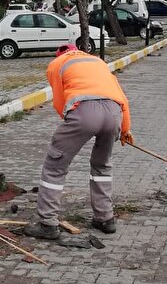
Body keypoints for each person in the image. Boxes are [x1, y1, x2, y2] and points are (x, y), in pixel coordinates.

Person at [23, 44, 133, 240]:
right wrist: (125, 129)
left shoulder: (57, 64)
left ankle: (47, 223)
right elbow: (122, 98)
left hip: (84, 113)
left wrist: (70, 122)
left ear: (60, 54)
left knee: (55, 166)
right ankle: (105, 218)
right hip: (114, 113)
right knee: (102, 167)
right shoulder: (97, 62)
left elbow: (59, 99)